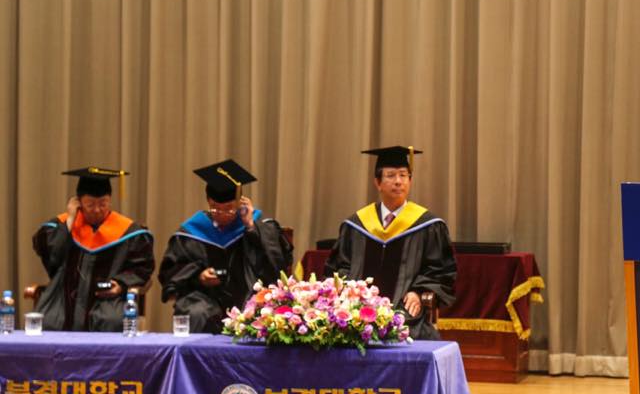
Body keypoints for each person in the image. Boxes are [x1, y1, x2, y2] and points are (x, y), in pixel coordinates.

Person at [325, 146, 457, 340]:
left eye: (404, 175)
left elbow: (440, 270)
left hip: (404, 312)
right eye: (391, 175)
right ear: (377, 182)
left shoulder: (428, 225)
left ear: (410, 181)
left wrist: (420, 292)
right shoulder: (356, 225)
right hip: (358, 310)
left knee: (411, 330)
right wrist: (350, 295)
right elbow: (340, 267)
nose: (398, 181)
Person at [158, 159, 293, 334]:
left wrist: (251, 226)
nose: (221, 214)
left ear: (241, 203)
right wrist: (198, 276)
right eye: (215, 208)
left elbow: (277, 264)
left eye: (229, 208)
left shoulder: (258, 227)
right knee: (196, 312)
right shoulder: (192, 231)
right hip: (204, 298)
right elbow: (172, 271)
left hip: (247, 296)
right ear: (208, 201)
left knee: (257, 311)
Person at [32, 167, 155, 331]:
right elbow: (52, 255)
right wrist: (70, 219)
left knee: (111, 320)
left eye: (103, 204)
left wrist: (121, 284)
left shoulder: (129, 232)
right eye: (90, 205)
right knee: (49, 319)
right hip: (63, 298)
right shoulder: (63, 225)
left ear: (110, 200)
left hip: (107, 301)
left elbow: (143, 266)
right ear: (78, 203)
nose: (97, 210)